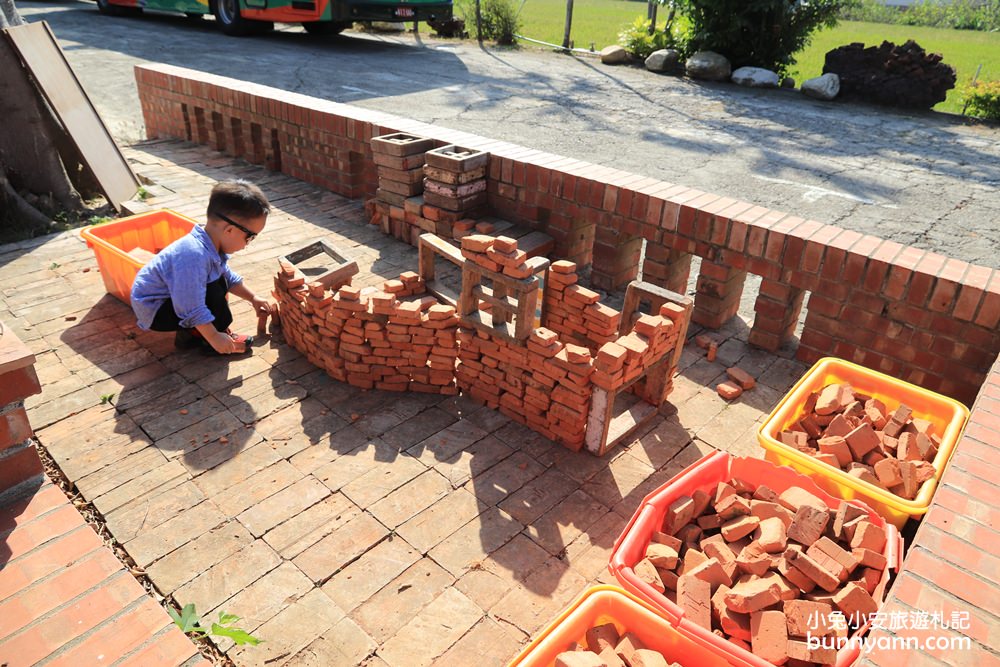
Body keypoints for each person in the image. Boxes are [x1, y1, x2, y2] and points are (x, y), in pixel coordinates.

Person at [131, 179, 272, 355]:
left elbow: (228, 277)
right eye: (250, 237)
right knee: (215, 292)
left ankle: (192, 334)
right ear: (229, 230)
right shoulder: (193, 255)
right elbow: (190, 306)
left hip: (172, 299)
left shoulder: (209, 245)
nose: (248, 244)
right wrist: (214, 337)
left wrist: (253, 298)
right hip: (156, 310)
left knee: (219, 281)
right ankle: (208, 340)